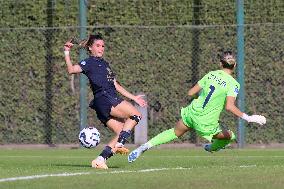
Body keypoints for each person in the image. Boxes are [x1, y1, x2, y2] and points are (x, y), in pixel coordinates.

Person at [128, 50, 266, 163]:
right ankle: (211, 148)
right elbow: (229, 107)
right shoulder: (234, 84)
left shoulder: (211, 74)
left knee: (174, 132)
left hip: (192, 112)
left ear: (220, 63)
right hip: (205, 122)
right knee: (230, 136)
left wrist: (202, 97)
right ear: (235, 65)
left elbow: (191, 92)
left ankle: (145, 146)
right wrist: (248, 118)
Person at [63, 33, 147, 169]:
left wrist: (134, 98)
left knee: (122, 131)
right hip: (105, 99)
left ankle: (100, 159)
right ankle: (120, 144)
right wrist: (67, 52)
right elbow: (71, 70)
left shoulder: (105, 64)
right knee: (136, 115)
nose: (101, 48)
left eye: (102, 46)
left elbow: (116, 85)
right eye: (97, 45)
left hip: (104, 102)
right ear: (90, 48)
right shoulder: (88, 62)